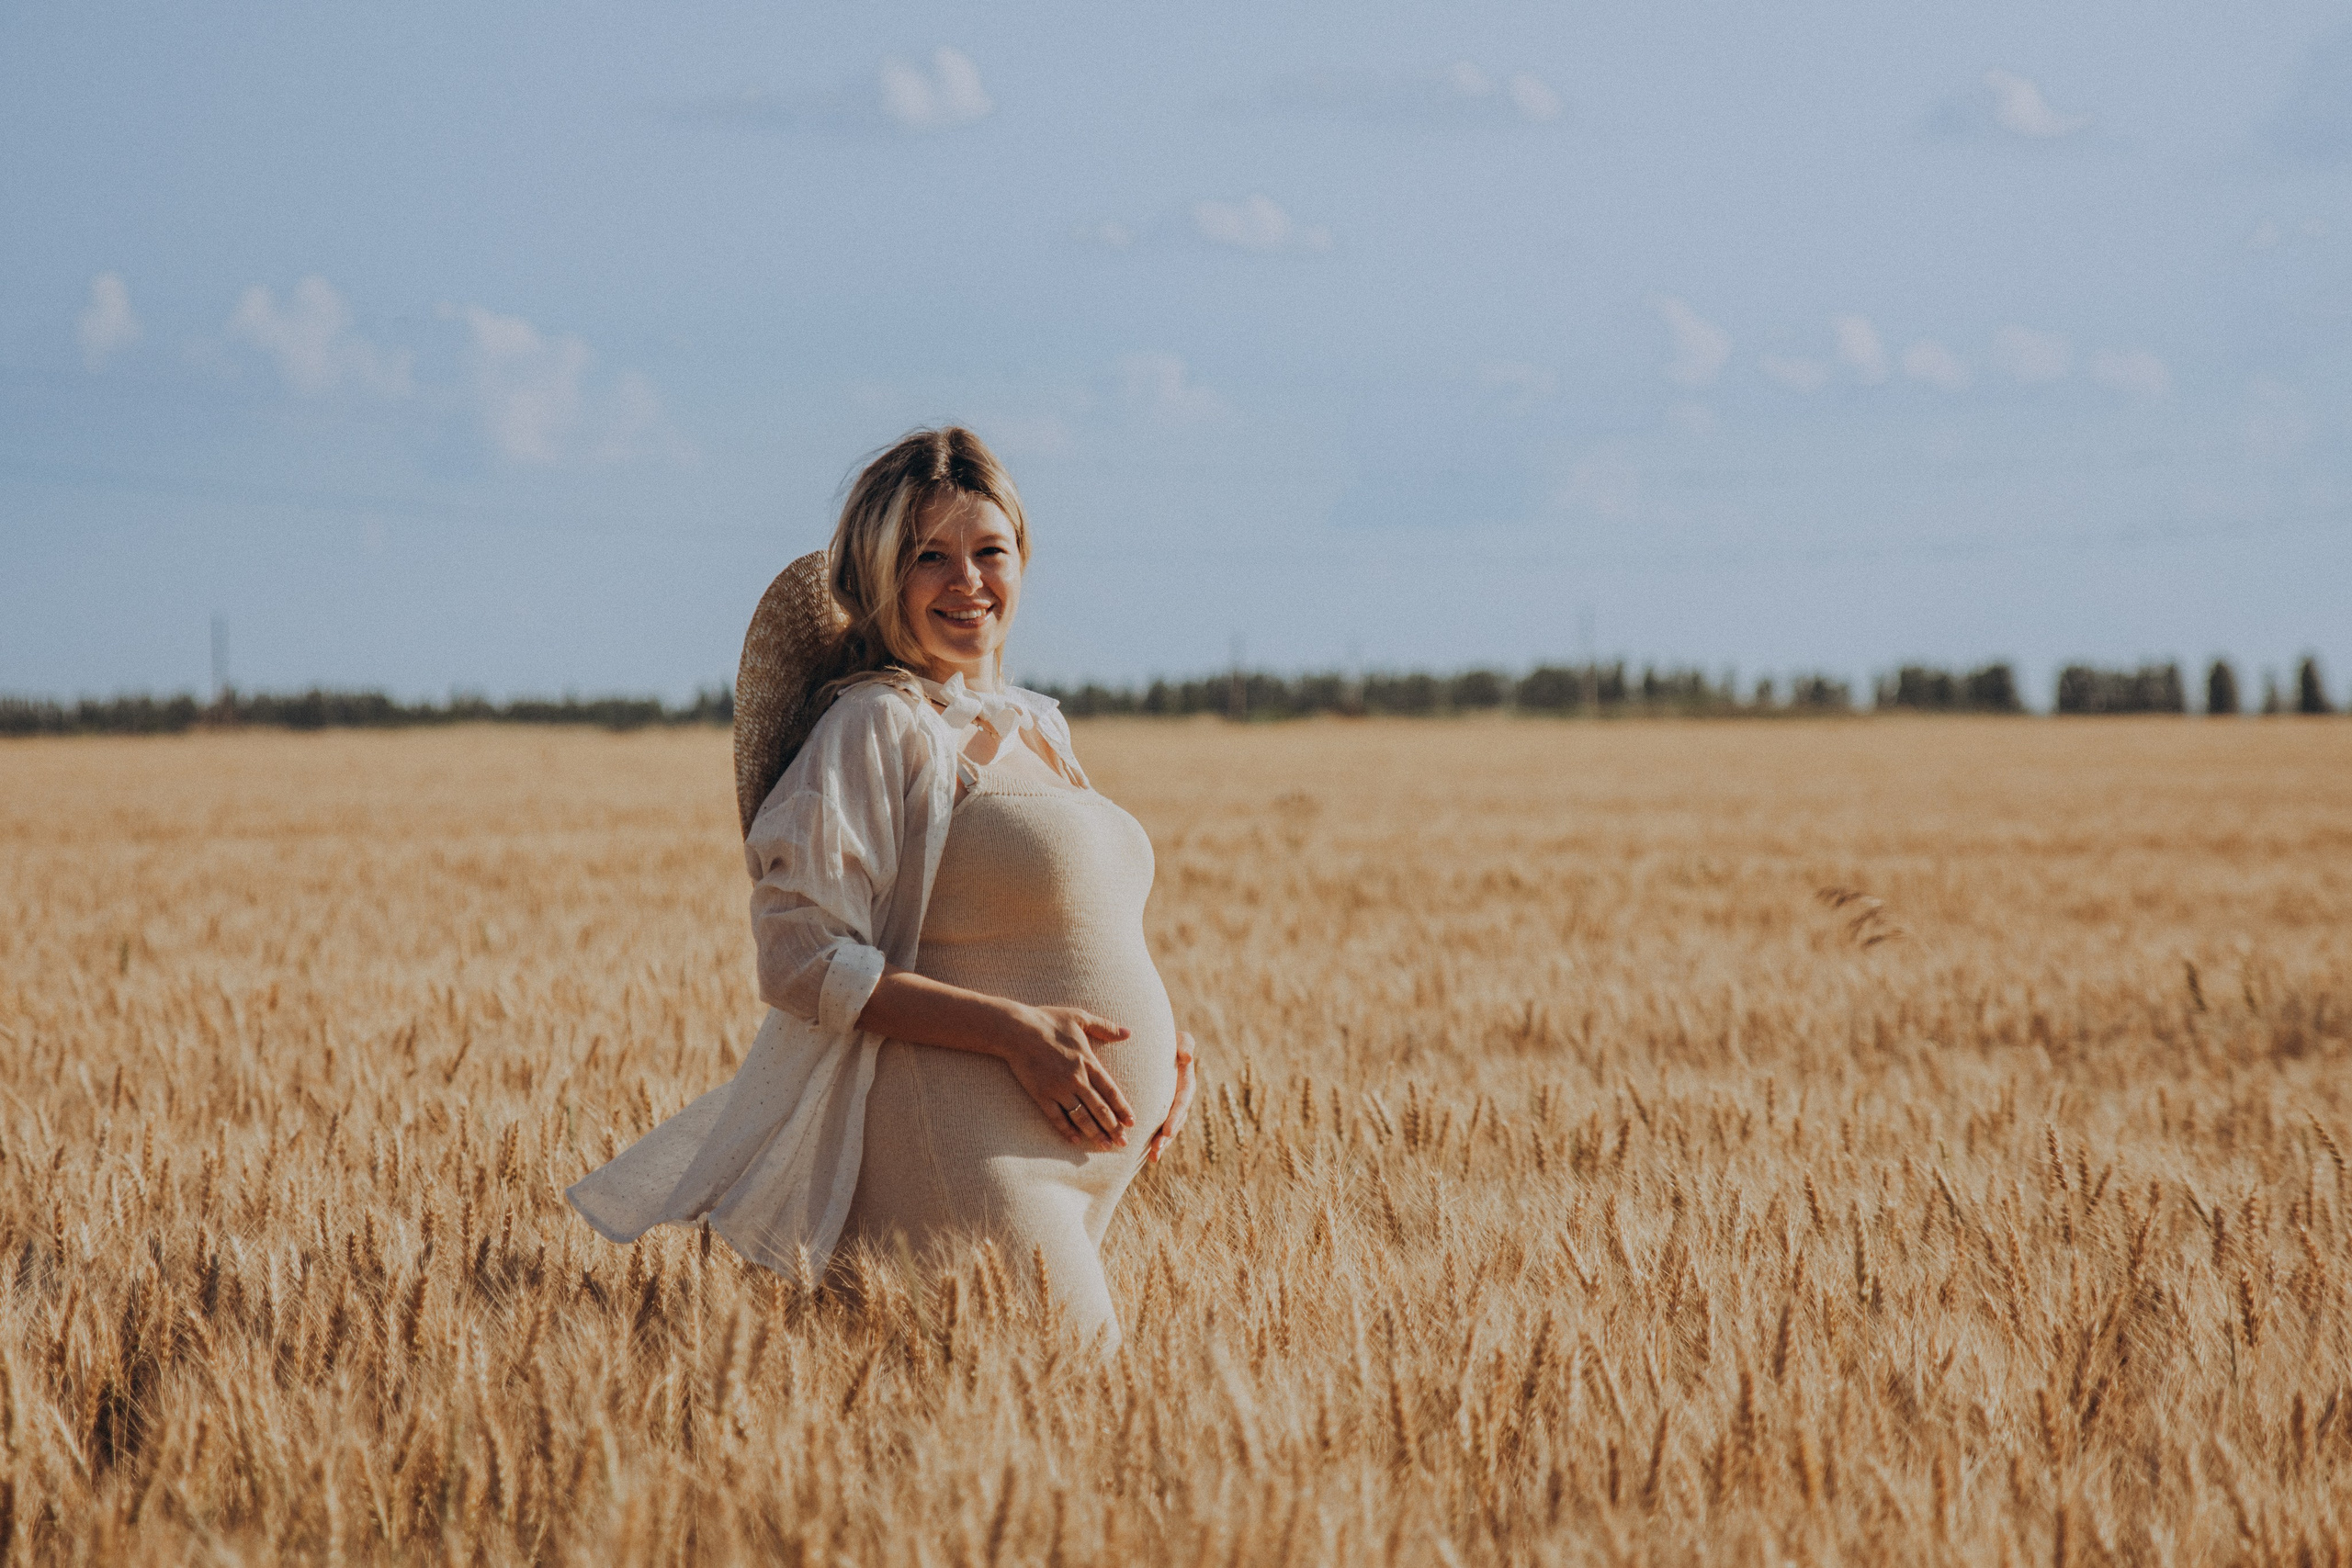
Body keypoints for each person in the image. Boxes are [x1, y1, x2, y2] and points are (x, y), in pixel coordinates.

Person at [567, 426, 1196, 1348]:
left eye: (990, 551)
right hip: (963, 1139)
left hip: (1083, 1146)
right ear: (876, 578)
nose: (967, 580)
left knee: (1033, 1445)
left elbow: (1073, 921)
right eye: (926, 558)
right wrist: (1013, 1033)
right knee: (1076, 1392)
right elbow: (802, 960)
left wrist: (1167, 1046)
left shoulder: (1038, 729)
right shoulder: (874, 725)